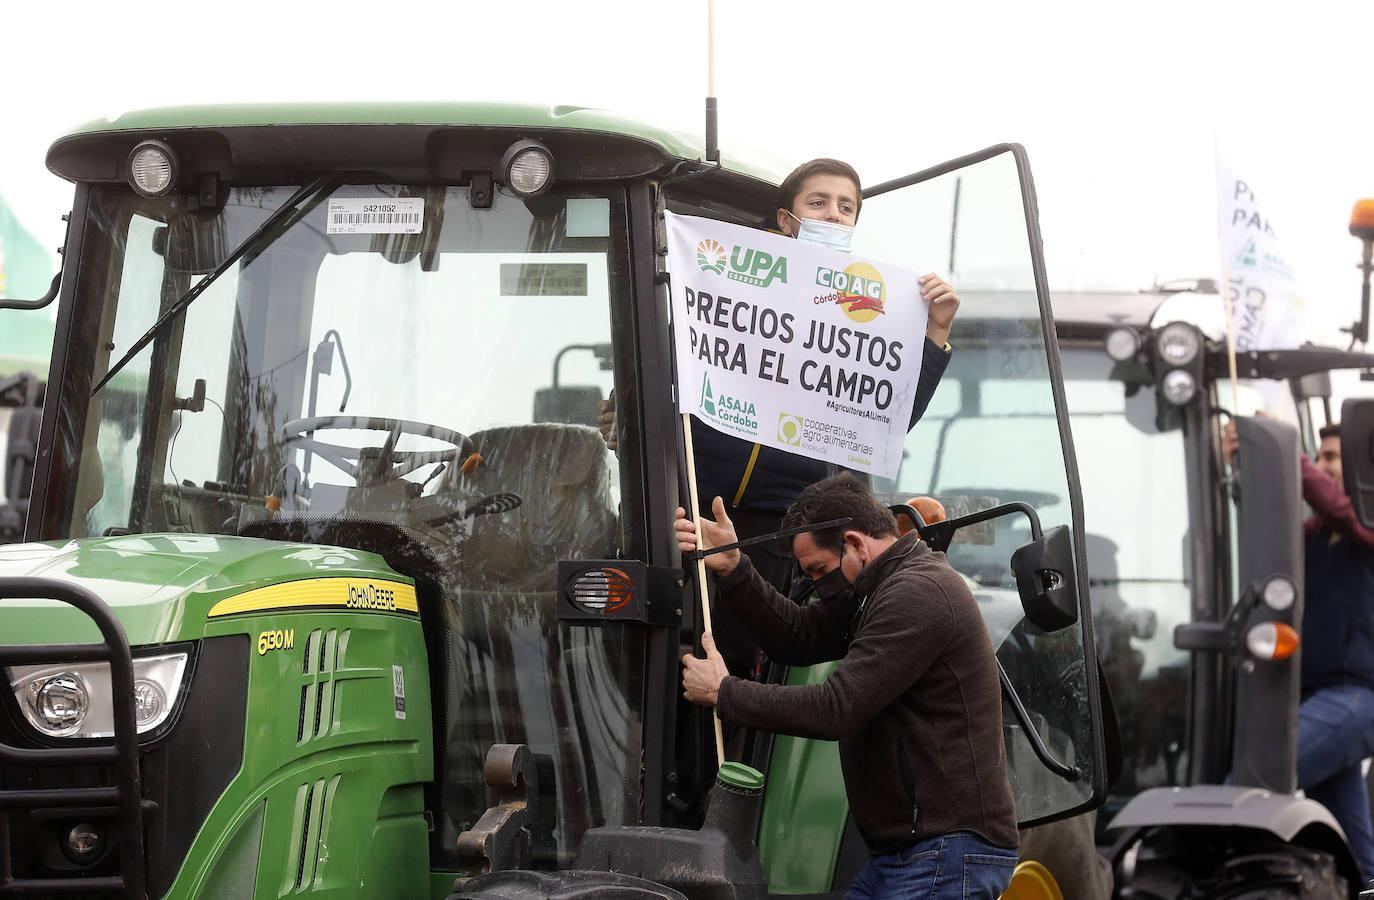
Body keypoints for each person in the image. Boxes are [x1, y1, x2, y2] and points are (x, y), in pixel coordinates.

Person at [602, 157, 960, 678]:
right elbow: (660, 367)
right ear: (786, 221)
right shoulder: (722, 287)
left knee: (740, 655)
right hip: (687, 509)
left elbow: (884, 416)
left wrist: (934, 336)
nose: (833, 217)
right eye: (818, 204)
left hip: (781, 529)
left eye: (846, 208)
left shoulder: (868, 311)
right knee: (647, 651)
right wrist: (624, 418)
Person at [676, 474, 1018, 899]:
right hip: (908, 853)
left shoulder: (917, 593)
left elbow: (837, 707)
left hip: (944, 851)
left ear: (855, 543)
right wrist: (734, 567)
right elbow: (796, 636)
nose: (818, 586)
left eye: (819, 570)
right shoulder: (876, 591)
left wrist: (725, 692)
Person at [1226, 420, 1374, 881]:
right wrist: (1244, 460)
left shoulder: (1365, 525)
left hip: (1356, 698)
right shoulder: (1316, 534)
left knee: (1250, 789)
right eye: (1321, 457)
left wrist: (1287, 455)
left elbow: (1339, 507)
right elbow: (1272, 519)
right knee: (1357, 852)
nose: (1327, 466)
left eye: (1336, 457)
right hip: (1319, 698)